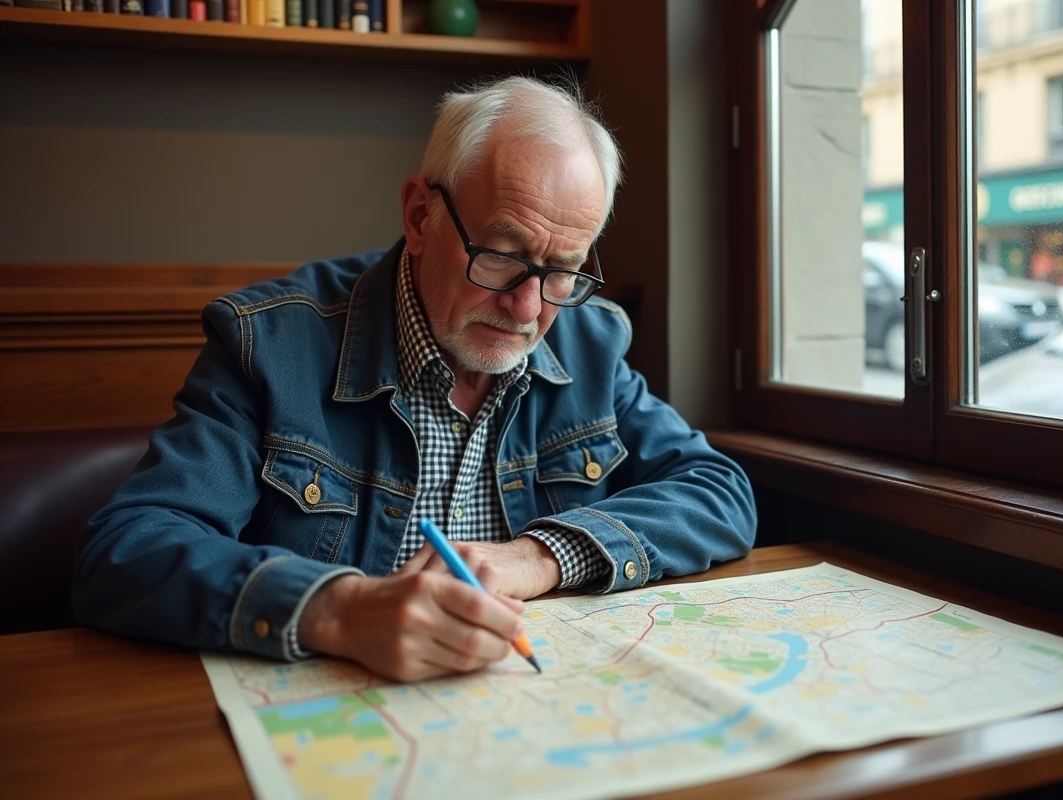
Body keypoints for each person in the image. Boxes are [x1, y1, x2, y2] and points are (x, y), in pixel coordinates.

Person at [72, 76, 757, 683]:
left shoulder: (589, 343)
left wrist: (539, 556)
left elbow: (717, 490)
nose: (527, 309)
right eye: (501, 255)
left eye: (563, 271)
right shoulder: (270, 345)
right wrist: (338, 609)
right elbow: (126, 548)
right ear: (420, 216)